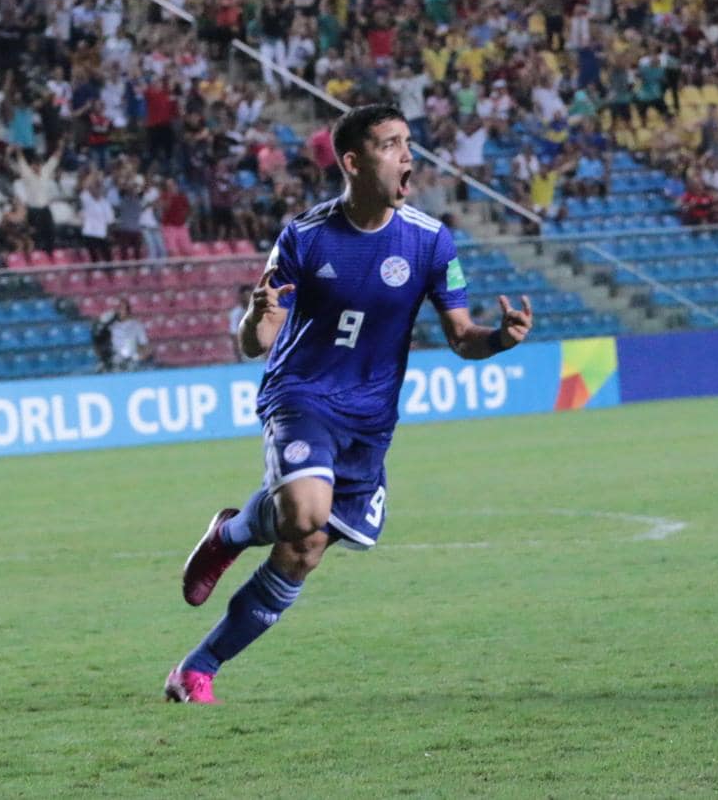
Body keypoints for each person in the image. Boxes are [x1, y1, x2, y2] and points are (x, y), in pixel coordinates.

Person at [164, 104, 533, 704]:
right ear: (354, 162)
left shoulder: (430, 240)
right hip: (302, 395)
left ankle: (198, 664)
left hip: (370, 420)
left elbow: (463, 337)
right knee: (305, 512)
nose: (408, 155)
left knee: (303, 550)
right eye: (391, 145)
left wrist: (499, 338)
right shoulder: (304, 237)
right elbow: (254, 342)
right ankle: (233, 533)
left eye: (408, 143)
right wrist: (258, 317)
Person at [109, 297, 151, 370]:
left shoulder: (136, 325)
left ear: (127, 310)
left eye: (121, 308)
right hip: (114, 359)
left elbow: (144, 344)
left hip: (132, 359)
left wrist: (142, 354)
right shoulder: (111, 325)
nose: (119, 311)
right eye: (117, 308)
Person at [229, 284, 254, 362]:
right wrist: (238, 354)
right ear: (241, 297)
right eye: (245, 296)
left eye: (249, 295)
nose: (247, 298)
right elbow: (234, 334)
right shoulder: (236, 314)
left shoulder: (259, 311)